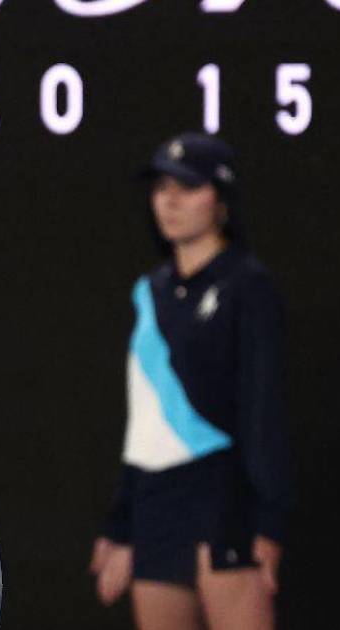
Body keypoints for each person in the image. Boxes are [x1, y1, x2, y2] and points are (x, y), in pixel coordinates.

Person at [90, 133, 295, 630]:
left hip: (223, 499)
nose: (170, 200)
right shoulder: (150, 292)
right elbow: (145, 420)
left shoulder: (248, 286)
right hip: (156, 506)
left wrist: (267, 524)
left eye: (187, 186)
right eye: (162, 187)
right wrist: (122, 525)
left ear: (221, 199)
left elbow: (263, 410)